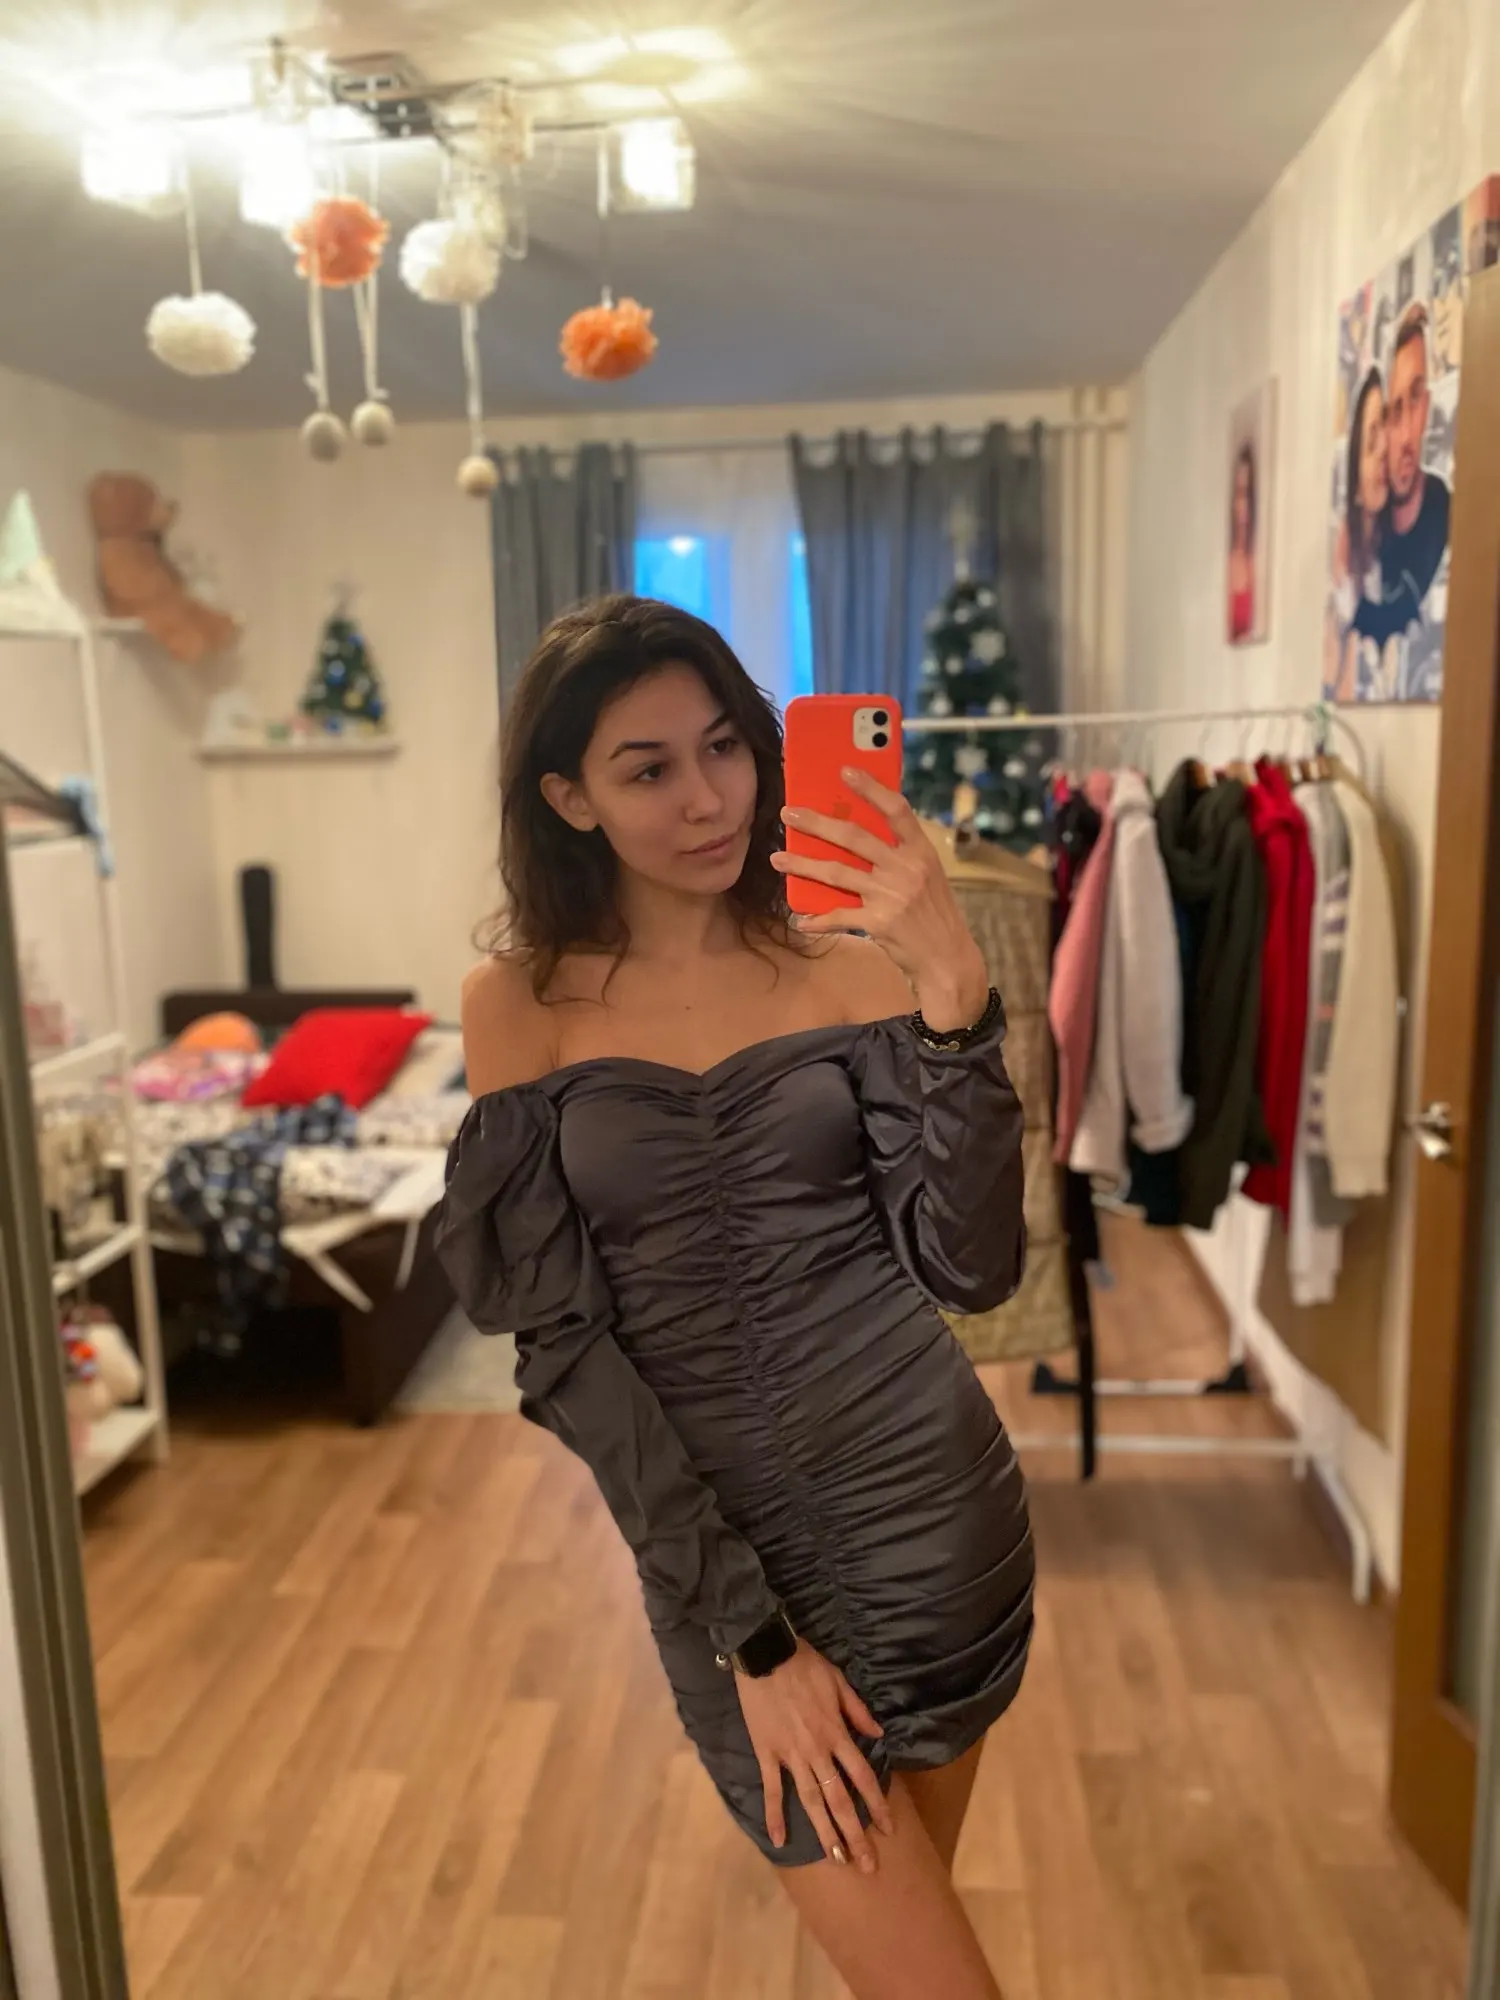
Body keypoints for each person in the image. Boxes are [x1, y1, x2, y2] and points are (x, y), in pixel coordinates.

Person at [438, 596, 1033, 2000]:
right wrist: (753, 1635)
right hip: (721, 1560)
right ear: (569, 797)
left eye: (725, 747)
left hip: (933, 1512)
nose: (708, 799)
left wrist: (954, 988)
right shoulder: (518, 1007)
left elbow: (971, 1267)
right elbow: (569, 1351)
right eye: (647, 769)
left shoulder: (850, 966)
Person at [1353, 302, 1450, 649]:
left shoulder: (1447, 512)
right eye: (1395, 412)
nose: (1407, 435)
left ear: (1427, 403)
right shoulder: (1370, 532)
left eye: (1416, 398)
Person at [1227, 441, 1258, 642]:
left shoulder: (1256, 560)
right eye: (1238, 494)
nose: (1242, 505)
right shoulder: (1223, 559)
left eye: (1247, 495)